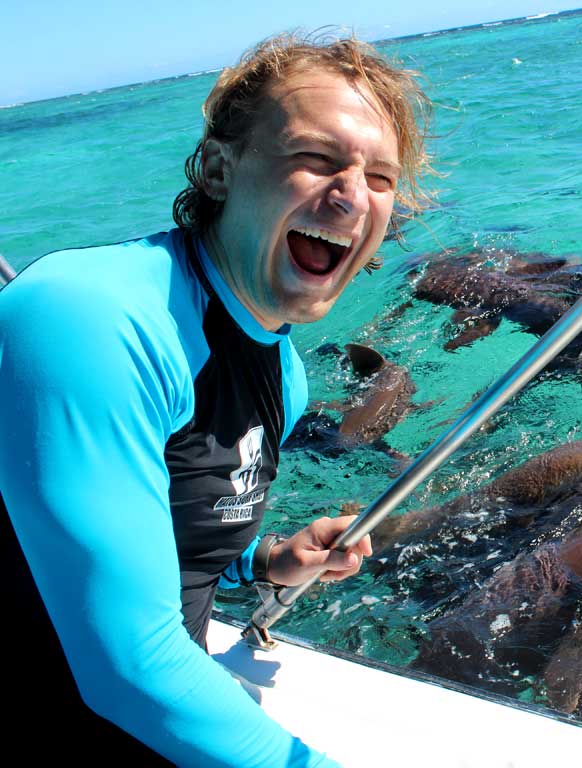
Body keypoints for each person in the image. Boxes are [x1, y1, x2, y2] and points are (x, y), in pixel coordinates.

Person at [0, 31, 432, 766]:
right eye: (316, 159)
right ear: (218, 168)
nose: (353, 194)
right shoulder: (94, 321)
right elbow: (127, 668)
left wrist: (266, 561)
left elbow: (173, 550)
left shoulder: (282, 369)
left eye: (381, 177)